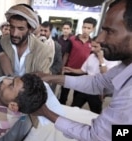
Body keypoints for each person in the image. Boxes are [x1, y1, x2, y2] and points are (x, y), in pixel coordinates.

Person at [34, 0, 132, 140]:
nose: (99, 39)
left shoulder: (129, 94)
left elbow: (97, 136)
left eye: (109, 31)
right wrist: (49, 77)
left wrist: (46, 113)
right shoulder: (125, 66)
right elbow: (97, 83)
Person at [63, 37, 120, 114]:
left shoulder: (112, 60)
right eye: (91, 46)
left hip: (97, 91)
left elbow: (105, 74)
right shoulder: (91, 56)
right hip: (85, 87)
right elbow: (83, 70)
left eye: (95, 47)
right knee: (74, 108)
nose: (92, 49)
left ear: (103, 47)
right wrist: (71, 70)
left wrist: (101, 59)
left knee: (96, 113)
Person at [0, 4, 54, 76]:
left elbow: (41, 82)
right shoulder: (3, 42)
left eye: (21, 28)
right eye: (12, 27)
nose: (14, 34)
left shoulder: (43, 51)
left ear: (30, 29)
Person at [59, 17, 97, 105]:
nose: (85, 30)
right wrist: (62, 68)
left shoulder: (92, 43)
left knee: (77, 99)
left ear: (93, 29)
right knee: (63, 96)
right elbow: (66, 54)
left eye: (88, 28)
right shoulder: (72, 40)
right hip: (69, 71)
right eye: (84, 27)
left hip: (82, 74)